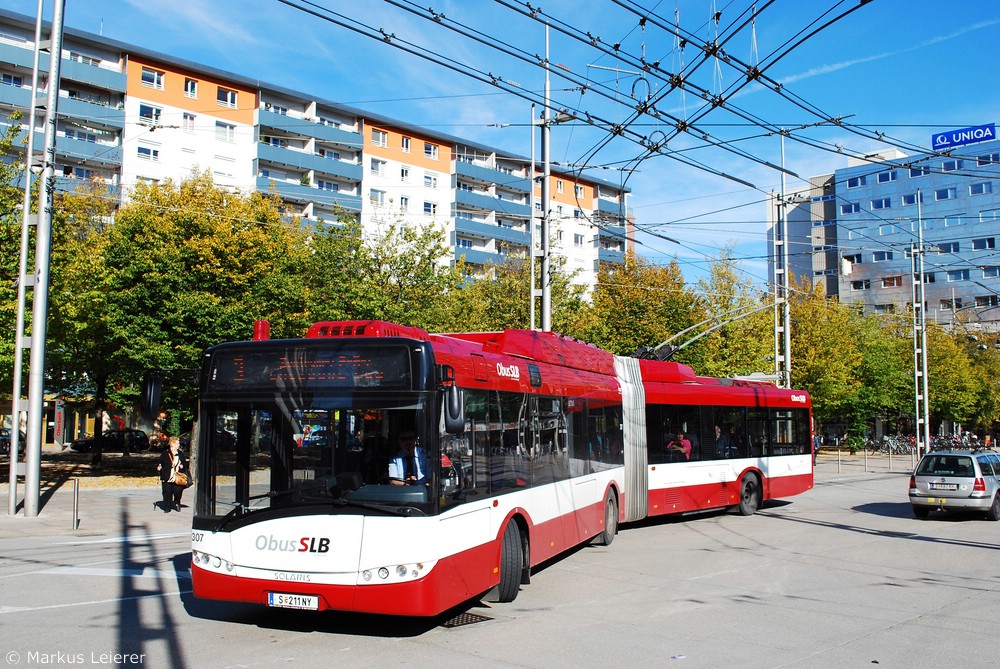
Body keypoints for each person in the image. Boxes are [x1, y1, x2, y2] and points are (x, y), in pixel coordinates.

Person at [156, 437, 188, 512]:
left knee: (178, 491)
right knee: (167, 493)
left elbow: (184, 463)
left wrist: (182, 466)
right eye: (177, 443)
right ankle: (167, 508)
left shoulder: (180, 453)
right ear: (172, 444)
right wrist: (159, 467)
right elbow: (160, 462)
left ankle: (177, 502)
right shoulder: (165, 453)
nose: (179, 445)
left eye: (178, 443)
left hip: (177, 477)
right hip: (167, 476)